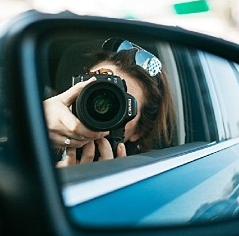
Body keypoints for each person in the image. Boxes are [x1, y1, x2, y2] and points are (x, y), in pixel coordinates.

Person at [44, 38, 175, 166]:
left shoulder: (139, 174)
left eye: (121, 102)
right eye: (93, 89)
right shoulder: (38, 131)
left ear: (138, 132)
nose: (100, 106)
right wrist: (37, 123)